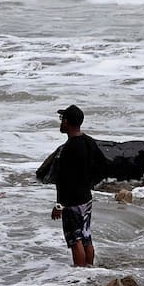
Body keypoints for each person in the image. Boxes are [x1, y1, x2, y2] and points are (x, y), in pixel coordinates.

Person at [43, 105, 109, 267]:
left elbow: (65, 180)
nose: (61, 123)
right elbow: (103, 164)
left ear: (67, 122)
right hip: (86, 197)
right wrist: (89, 182)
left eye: (62, 119)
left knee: (75, 240)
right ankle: (89, 270)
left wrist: (59, 204)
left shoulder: (69, 148)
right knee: (86, 236)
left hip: (71, 201)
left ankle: (80, 274)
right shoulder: (89, 142)